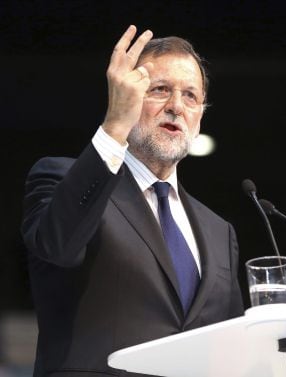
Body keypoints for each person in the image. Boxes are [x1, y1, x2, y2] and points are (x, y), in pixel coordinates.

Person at [21, 25, 244, 377]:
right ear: (127, 99)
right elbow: (57, 246)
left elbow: (232, 349)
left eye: (190, 96)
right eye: (160, 90)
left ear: (200, 119)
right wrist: (114, 127)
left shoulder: (220, 231)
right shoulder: (63, 178)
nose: (176, 106)